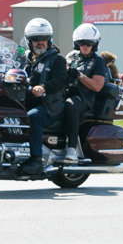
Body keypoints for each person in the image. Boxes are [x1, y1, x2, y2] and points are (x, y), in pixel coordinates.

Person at [20, 18, 66, 175]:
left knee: (33, 117)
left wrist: (43, 87)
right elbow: (10, 60)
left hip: (50, 105)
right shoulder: (24, 58)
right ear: (29, 41)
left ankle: (36, 160)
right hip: (29, 101)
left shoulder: (57, 60)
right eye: (35, 39)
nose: (40, 42)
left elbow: (60, 81)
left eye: (44, 39)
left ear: (49, 40)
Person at [62, 23, 108, 164]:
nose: (85, 46)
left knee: (70, 106)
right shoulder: (71, 56)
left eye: (88, 43)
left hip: (86, 98)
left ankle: (71, 149)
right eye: (82, 43)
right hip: (67, 92)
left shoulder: (98, 61)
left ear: (94, 44)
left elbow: (97, 86)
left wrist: (79, 75)